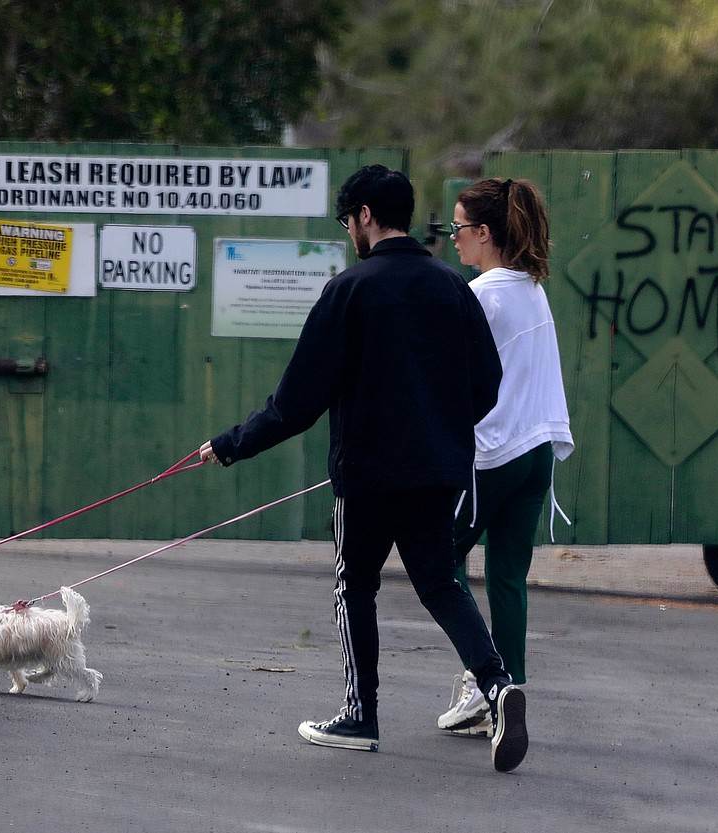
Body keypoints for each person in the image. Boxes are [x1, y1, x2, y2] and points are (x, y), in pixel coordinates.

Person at [199, 165, 529, 773]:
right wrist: (443, 431)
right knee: (439, 584)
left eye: (346, 219)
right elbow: (488, 384)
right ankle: (499, 686)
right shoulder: (454, 288)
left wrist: (230, 444)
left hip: (367, 476)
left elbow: (295, 402)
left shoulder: (349, 290)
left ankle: (361, 715)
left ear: (366, 217)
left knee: (356, 585)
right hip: (438, 472)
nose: (349, 229)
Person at [434, 177, 574, 739]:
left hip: (491, 455)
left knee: (438, 564)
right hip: (538, 451)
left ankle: (485, 685)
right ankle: (507, 688)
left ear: (484, 232)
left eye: (459, 228)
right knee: (508, 578)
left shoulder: (482, 295)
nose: (454, 238)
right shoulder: (530, 288)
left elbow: (446, 379)